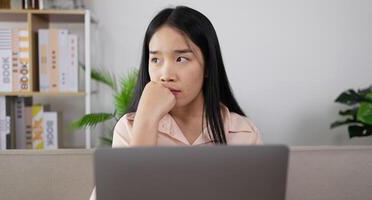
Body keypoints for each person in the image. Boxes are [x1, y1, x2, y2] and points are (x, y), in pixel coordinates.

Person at [90, 5, 262, 200]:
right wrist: (146, 121)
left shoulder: (243, 132)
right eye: (155, 59)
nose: (165, 75)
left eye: (181, 58)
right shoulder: (129, 129)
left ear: (207, 66)